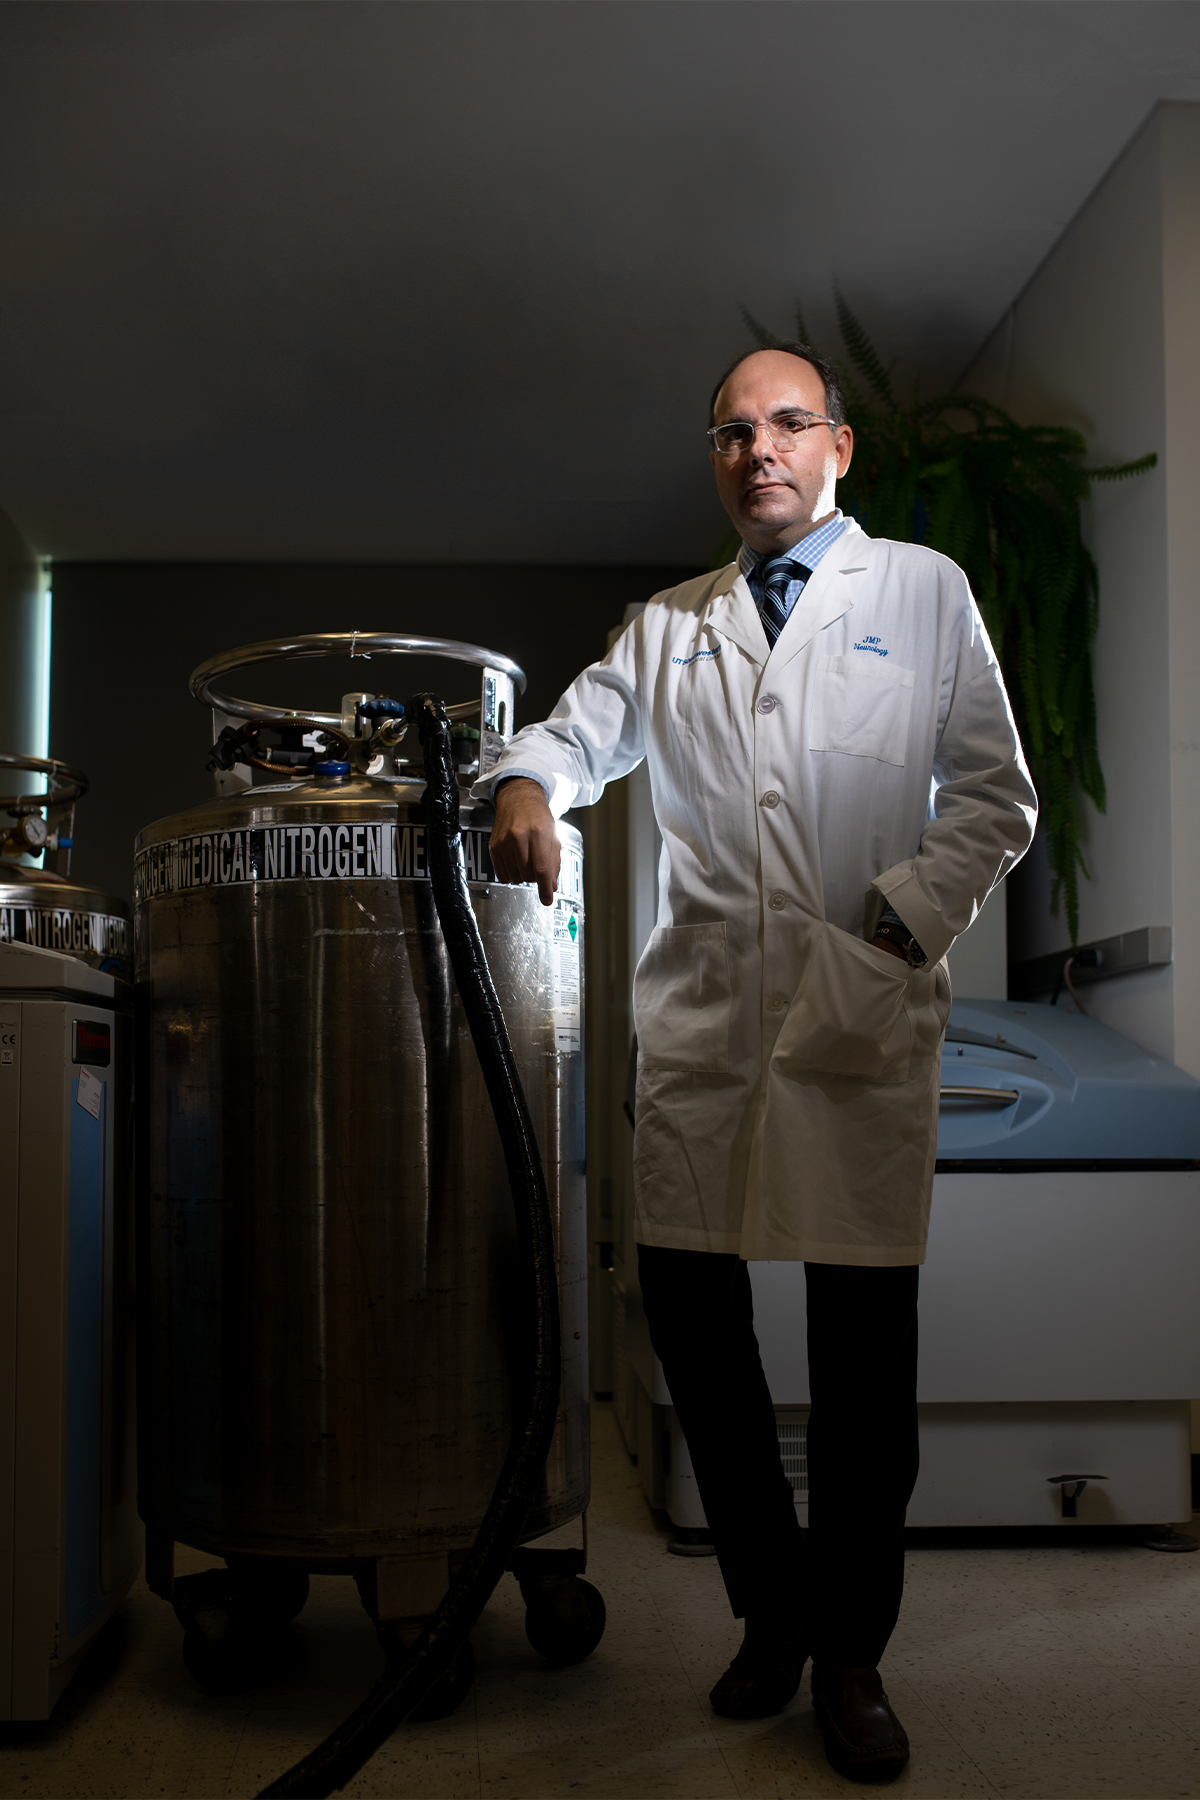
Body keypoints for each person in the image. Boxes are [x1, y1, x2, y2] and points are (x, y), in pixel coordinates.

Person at [475, 344, 1036, 1781]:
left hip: (857, 1008)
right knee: (697, 1341)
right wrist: (533, 781)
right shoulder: (669, 627)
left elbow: (993, 795)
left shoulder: (919, 593)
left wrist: (901, 924)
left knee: (862, 1372)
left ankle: (849, 1655)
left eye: (788, 424)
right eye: (732, 433)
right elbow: (577, 730)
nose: (759, 450)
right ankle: (772, 1610)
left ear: (841, 447)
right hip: (710, 1029)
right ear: (714, 461)